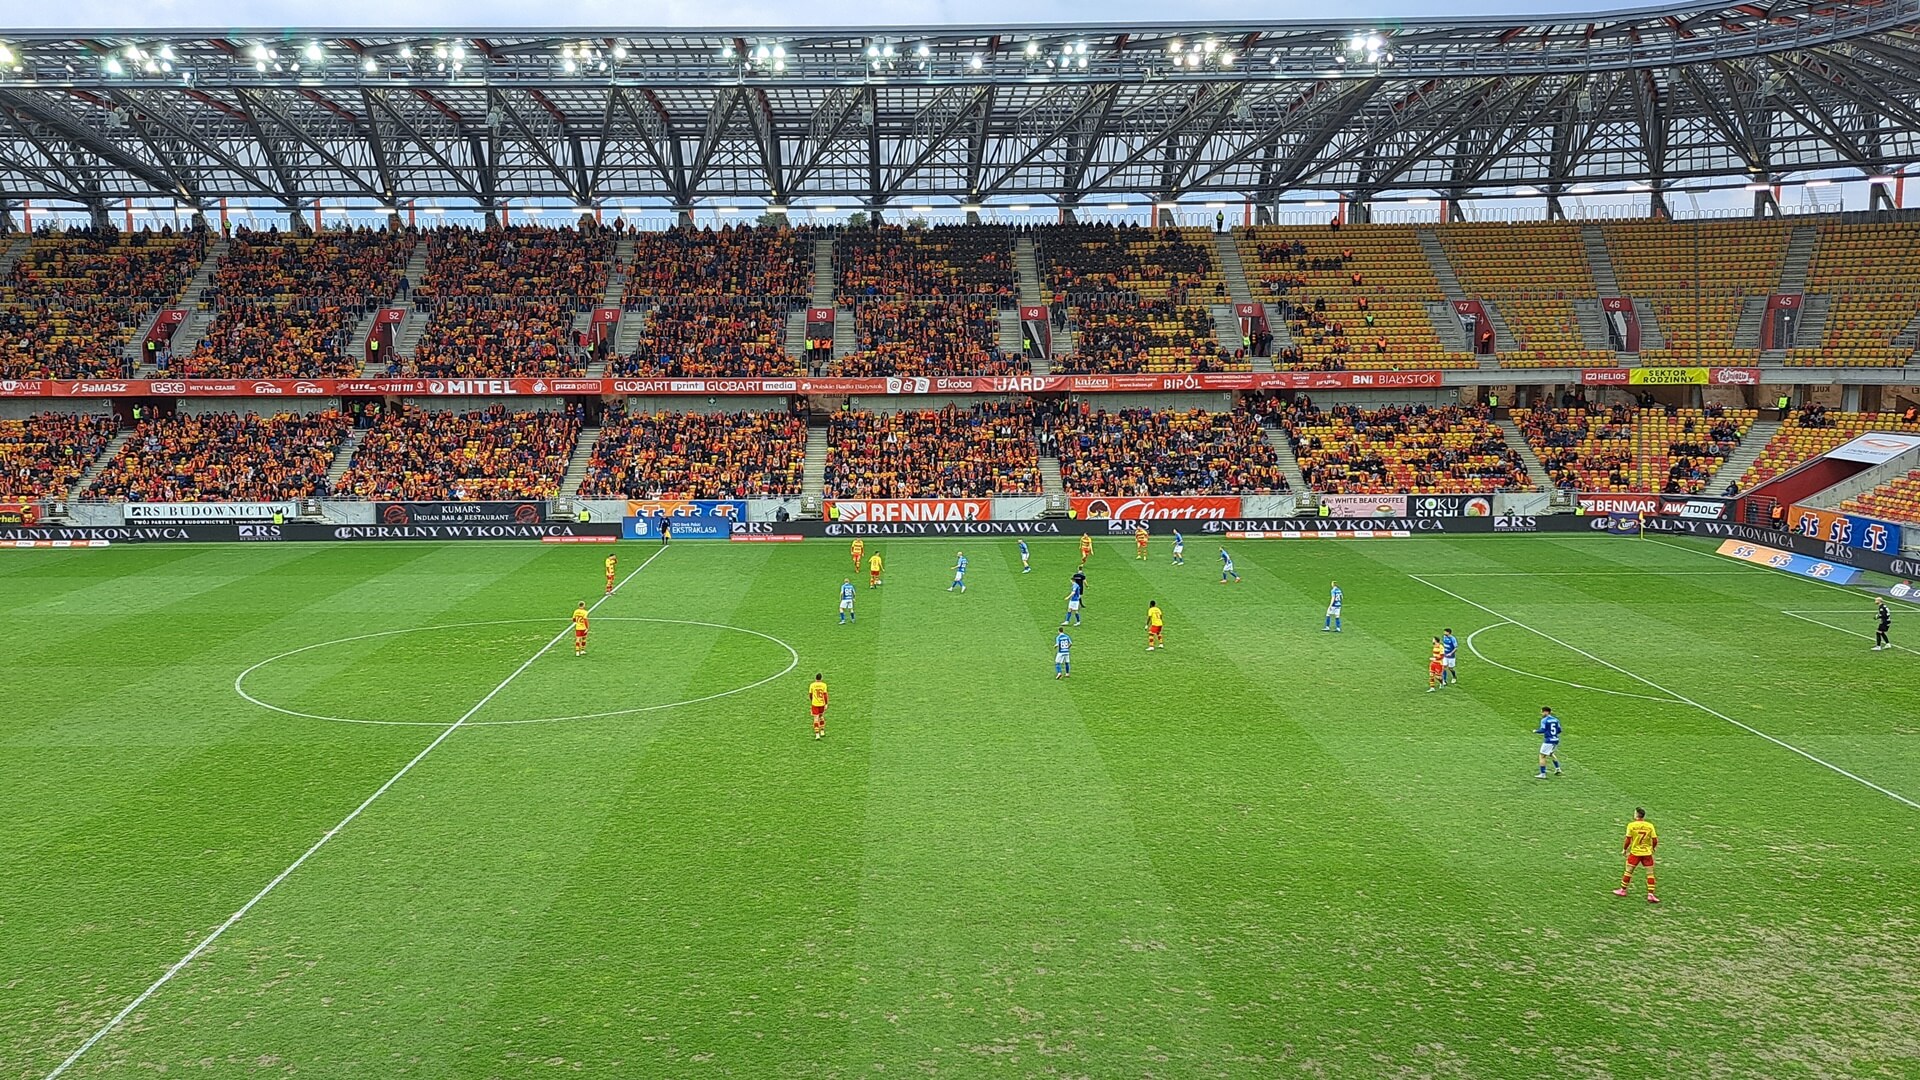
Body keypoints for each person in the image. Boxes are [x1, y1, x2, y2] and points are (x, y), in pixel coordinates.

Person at [1616, 807, 1659, 903]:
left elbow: (1628, 839)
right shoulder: (1650, 825)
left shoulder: (1631, 825)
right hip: (1647, 853)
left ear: (1636, 815)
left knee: (1628, 871)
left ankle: (1623, 890)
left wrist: (1624, 849)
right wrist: (1653, 848)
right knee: (1650, 873)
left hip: (1635, 852)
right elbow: (1655, 840)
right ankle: (1650, 894)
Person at [1535, 707, 1563, 777]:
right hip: (1555, 740)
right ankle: (1558, 769)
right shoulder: (1556, 720)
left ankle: (1542, 774)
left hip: (1548, 741)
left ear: (1546, 712)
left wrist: (1536, 731)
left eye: (1542, 712)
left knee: (1542, 756)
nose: (1541, 713)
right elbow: (1559, 730)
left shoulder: (1544, 720)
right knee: (1551, 753)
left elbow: (1543, 730)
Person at [809, 672, 829, 739]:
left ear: (815, 678)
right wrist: (826, 703)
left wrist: (812, 700)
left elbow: (810, 695)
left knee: (816, 718)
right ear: (821, 678)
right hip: (821, 703)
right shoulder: (824, 685)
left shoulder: (812, 685)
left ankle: (817, 734)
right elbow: (825, 695)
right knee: (821, 716)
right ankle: (822, 731)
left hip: (815, 704)